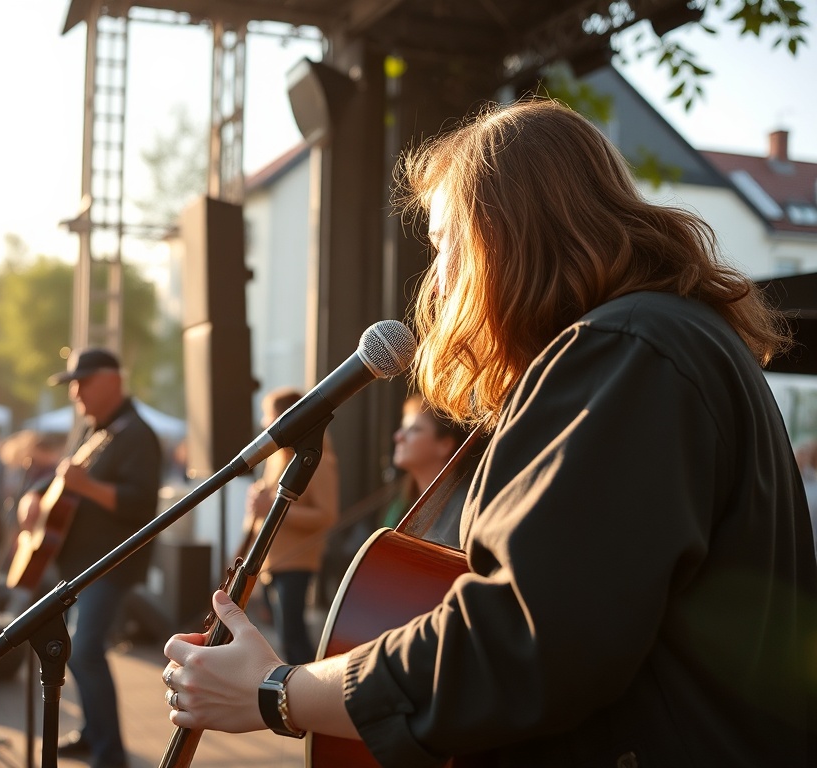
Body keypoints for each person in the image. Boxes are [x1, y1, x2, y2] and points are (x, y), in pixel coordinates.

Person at [159, 99, 817, 767]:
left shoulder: (626, 349)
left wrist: (279, 692)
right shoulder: (651, 344)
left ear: (500, 232)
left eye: (445, 244)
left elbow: (526, 640)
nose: (438, 284)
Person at [46, 348, 162, 768]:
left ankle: (110, 754)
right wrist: (35, 501)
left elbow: (140, 504)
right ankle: (95, 733)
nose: (74, 392)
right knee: (75, 651)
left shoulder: (137, 434)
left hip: (109, 565)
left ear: (112, 380)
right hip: (79, 563)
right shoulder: (94, 429)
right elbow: (67, 487)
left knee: (85, 651)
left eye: (82, 382)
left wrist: (86, 486)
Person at [243, 387, 339, 665]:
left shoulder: (320, 461)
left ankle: (311, 696)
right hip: (273, 564)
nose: (264, 423)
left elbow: (327, 515)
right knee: (285, 638)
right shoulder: (278, 459)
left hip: (297, 562)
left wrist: (272, 506)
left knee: (293, 638)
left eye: (269, 416)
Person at [380, 393, 474, 547]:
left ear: (445, 445)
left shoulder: (465, 508)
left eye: (414, 429)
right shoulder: (400, 504)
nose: (398, 437)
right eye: (402, 428)